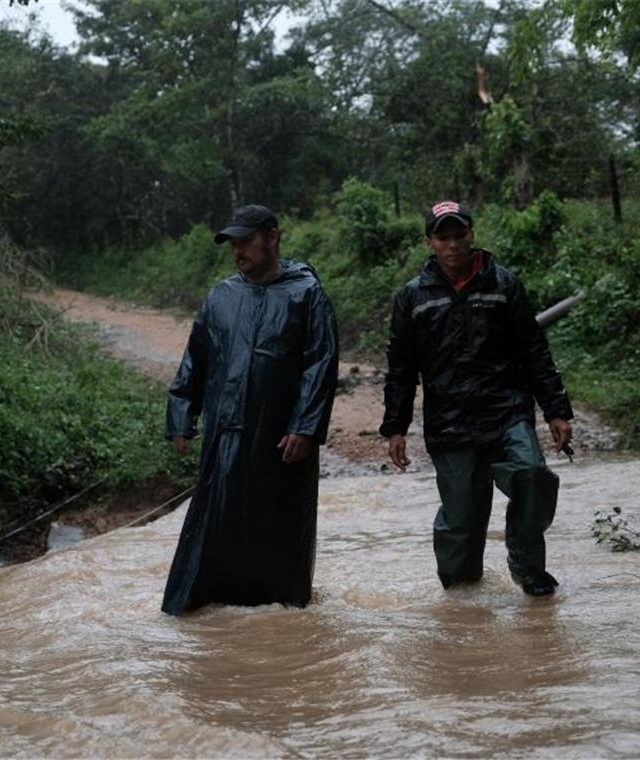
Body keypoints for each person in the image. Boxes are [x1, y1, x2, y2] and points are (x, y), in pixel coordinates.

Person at [380, 201, 574, 597]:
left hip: (507, 412)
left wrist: (556, 410)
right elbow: (401, 368)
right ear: (429, 242)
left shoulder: (503, 285)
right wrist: (395, 427)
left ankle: (526, 565)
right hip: (450, 422)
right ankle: (462, 596)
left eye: (459, 235)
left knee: (532, 476)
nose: (453, 244)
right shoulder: (412, 298)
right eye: (443, 237)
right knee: (461, 519)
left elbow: (533, 351)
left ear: (471, 235)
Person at [162, 204, 340, 615]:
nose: (238, 251)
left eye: (246, 242)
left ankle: (279, 614)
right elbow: (195, 359)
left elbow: (321, 362)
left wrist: (307, 427)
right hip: (225, 433)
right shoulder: (221, 296)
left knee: (277, 527)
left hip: (282, 440)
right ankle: (204, 611)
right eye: (233, 244)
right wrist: (181, 415)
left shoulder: (306, 294)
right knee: (215, 523)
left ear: (273, 237)